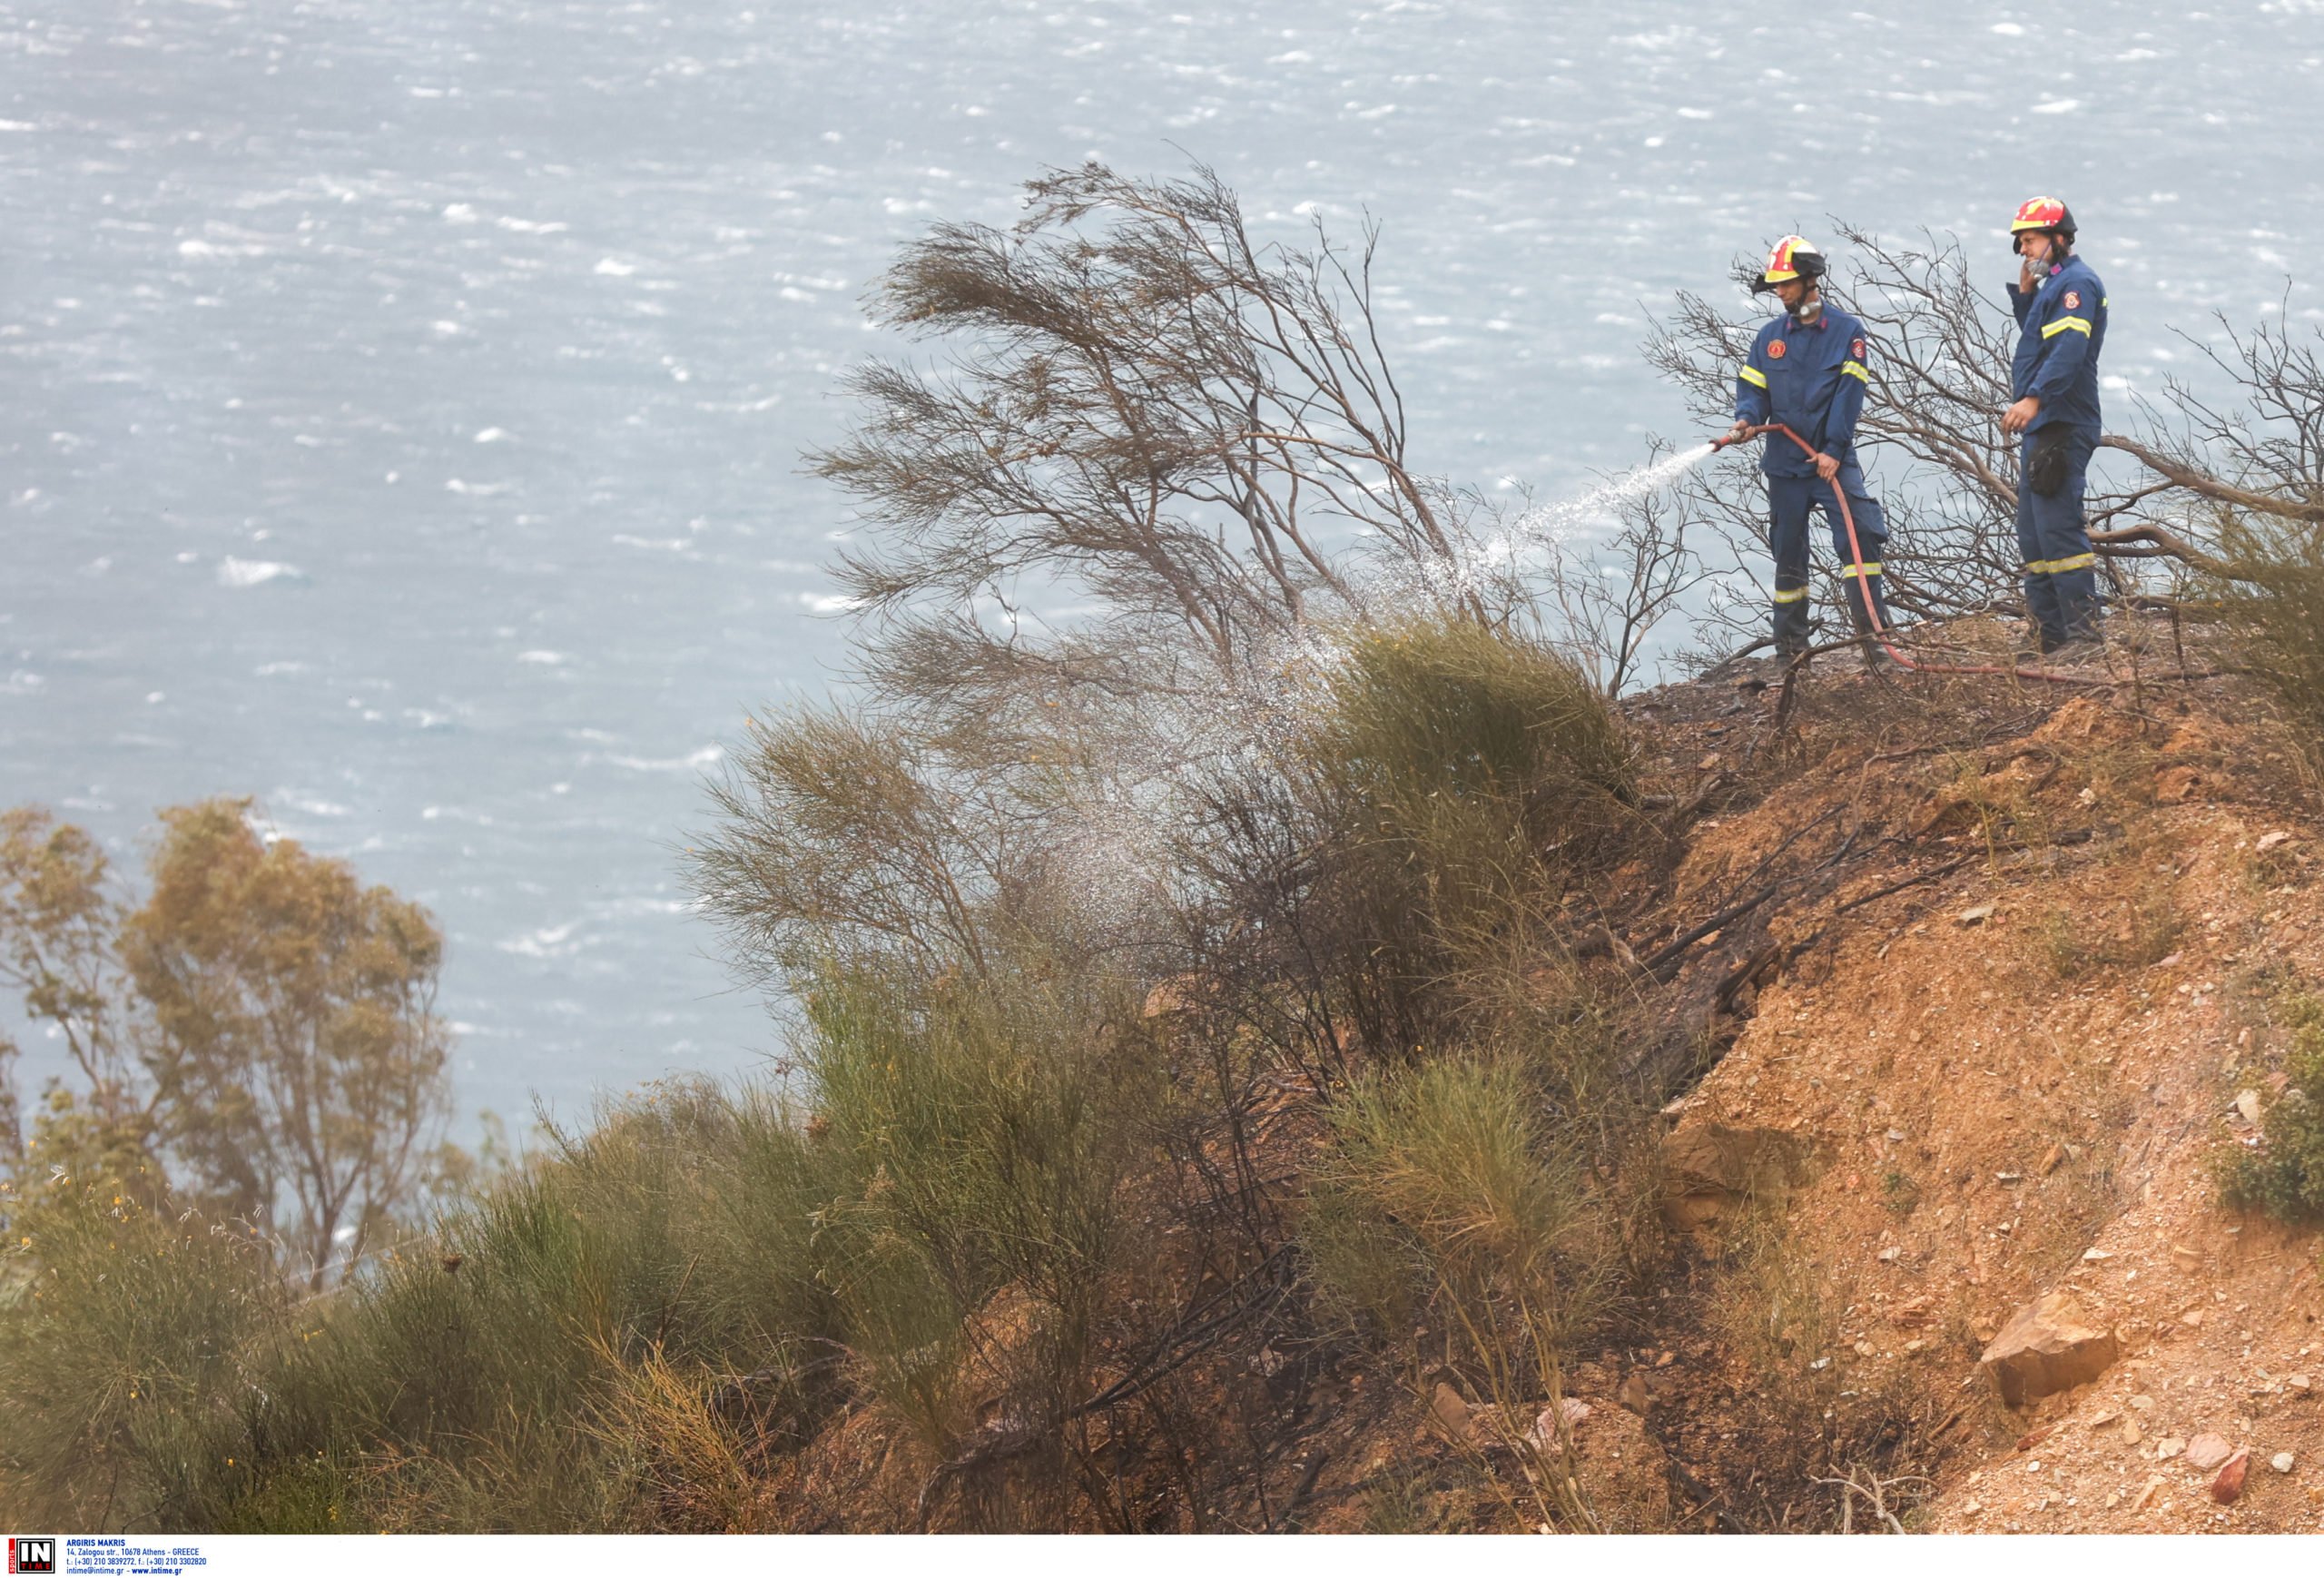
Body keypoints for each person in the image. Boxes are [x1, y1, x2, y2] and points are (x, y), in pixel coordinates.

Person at [1726, 235, 1891, 664]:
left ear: (1809, 279)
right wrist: (1746, 418)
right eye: (1775, 285)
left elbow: (1848, 396)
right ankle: (1791, 651)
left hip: (1831, 463)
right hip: (1784, 465)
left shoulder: (1846, 333)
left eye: (1785, 284)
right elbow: (1754, 390)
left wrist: (1834, 450)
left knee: (1862, 536)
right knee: (1788, 555)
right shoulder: (1768, 338)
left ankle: (1874, 643)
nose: (1779, 292)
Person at [2002, 196, 2111, 656]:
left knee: (2061, 529)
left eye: (2030, 240)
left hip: (2063, 420)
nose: (2025, 250)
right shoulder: (2052, 288)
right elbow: (2039, 339)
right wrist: (2026, 298)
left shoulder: (2077, 285)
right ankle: (2049, 635)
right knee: (2034, 532)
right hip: (2044, 424)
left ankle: (2084, 636)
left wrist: (2034, 397)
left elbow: (2067, 349)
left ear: (2059, 239)